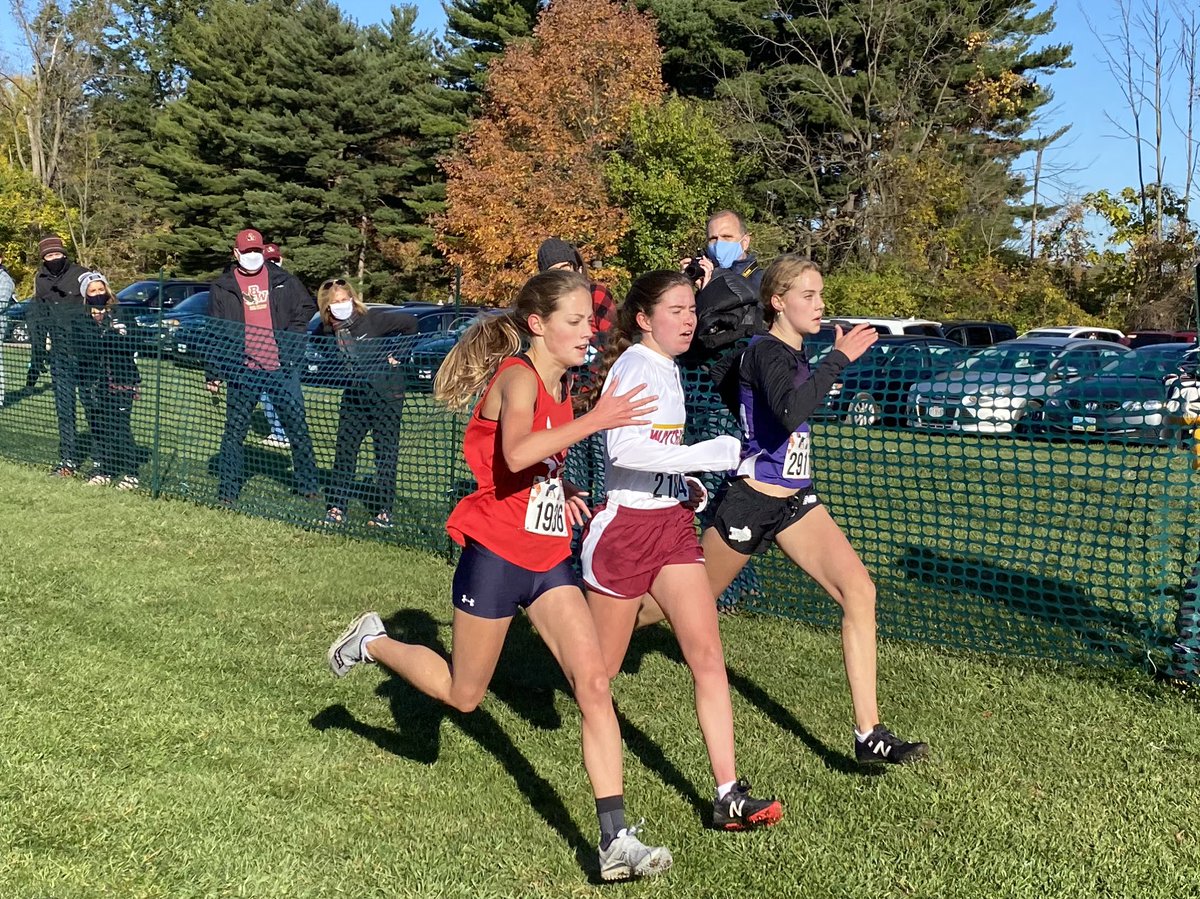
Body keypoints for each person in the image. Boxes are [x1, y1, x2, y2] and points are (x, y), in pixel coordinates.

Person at [326, 270, 673, 881]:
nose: (586, 331)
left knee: (593, 683)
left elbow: (533, 463)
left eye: (588, 321)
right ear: (538, 326)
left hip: (547, 560)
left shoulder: (565, 385)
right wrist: (597, 421)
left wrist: (559, 487)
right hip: (494, 558)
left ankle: (616, 840)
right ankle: (372, 639)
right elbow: (514, 452)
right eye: (574, 321)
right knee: (465, 695)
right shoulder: (517, 377)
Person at [651, 254, 929, 765]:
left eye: (821, 294)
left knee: (859, 590)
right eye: (808, 295)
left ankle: (868, 733)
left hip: (796, 501)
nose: (820, 305)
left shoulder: (788, 352)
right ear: (777, 302)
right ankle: (594, 630)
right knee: (664, 608)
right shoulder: (765, 352)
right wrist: (838, 359)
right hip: (751, 503)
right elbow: (790, 410)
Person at [578, 270, 784, 831]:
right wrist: (700, 458)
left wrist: (681, 485)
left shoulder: (667, 367)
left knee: (707, 656)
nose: (689, 319)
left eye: (691, 308)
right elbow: (624, 451)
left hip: (670, 529)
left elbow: (657, 454)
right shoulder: (635, 367)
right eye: (675, 309)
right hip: (624, 535)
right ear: (644, 319)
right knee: (598, 675)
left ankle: (727, 794)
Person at [203, 228, 320, 505]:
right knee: (235, 431)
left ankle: (308, 485)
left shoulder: (283, 280)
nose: (253, 256)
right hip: (243, 369)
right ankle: (228, 491)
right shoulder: (222, 286)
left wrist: (292, 343)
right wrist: (214, 371)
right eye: (247, 252)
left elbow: (306, 308)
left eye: (257, 251)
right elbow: (214, 330)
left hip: (281, 368)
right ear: (236, 253)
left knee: (297, 427)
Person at [314, 278, 417, 528]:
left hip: (386, 394)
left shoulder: (374, 318)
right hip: (354, 395)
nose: (341, 305)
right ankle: (337, 506)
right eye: (335, 302)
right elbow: (323, 349)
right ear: (327, 307)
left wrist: (398, 356)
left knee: (385, 453)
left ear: (352, 298)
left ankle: (384, 511)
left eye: (344, 299)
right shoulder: (327, 330)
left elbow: (411, 324)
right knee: (345, 451)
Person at [76, 272, 141, 489]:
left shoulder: (121, 313)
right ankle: (103, 469)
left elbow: (133, 342)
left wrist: (115, 334)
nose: (97, 294)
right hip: (92, 382)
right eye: (92, 291)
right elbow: (83, 348)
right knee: (99, 426)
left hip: (121, 380)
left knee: (120, 426)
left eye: (100, 289)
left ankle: (131, 473)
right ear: (85, 294)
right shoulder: (81, 317)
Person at [33, 236, 89, 475]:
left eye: (57, 254)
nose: (54, 259)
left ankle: (101, 462)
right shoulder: (40, 280)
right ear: (43, 258)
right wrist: (38, 355)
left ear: (64, 254)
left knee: (94, 408)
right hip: (59, 354)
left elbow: (99, 303)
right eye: (49, 256)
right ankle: (68, 460)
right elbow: (39, 315)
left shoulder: (82, 274)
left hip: (87, 353)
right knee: (64, 410)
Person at [536, 238, 615, 339]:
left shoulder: (596, 294)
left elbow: (612, 339)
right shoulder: (543, 307)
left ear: (577, 269)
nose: (562, 275)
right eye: (554, 272)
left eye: (565, 267)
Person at [259, 241, 290, 449]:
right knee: (265, 392)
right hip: (262, 346)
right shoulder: (260, 283)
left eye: (275, 260)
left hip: (284, 348)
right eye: (268, 261)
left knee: (280, 391)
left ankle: (282, 433)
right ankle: (277, 431)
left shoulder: (289, 283)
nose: (273, 264)